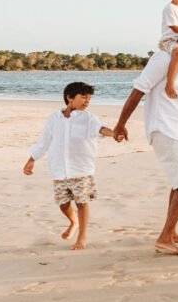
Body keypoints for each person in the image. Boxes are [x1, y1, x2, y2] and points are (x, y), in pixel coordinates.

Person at [112, 33, 178, 255]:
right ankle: (165, 237)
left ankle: (171, 233)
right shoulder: (163, 59)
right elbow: (138, 92)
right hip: (166, 129)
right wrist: (120, 124)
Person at [23, 82, 113, 250]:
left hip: (81, 169)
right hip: (59, 169)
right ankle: (73, 222)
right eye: (83, 97)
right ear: (70, 97)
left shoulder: (89, 118)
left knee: (82, 202)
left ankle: (82, 237)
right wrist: (31, 159)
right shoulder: (54, 118)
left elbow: (99, 129)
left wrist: (114, 133)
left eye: (90, 98)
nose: (87, 101)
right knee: (63, 204)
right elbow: (44, 141)